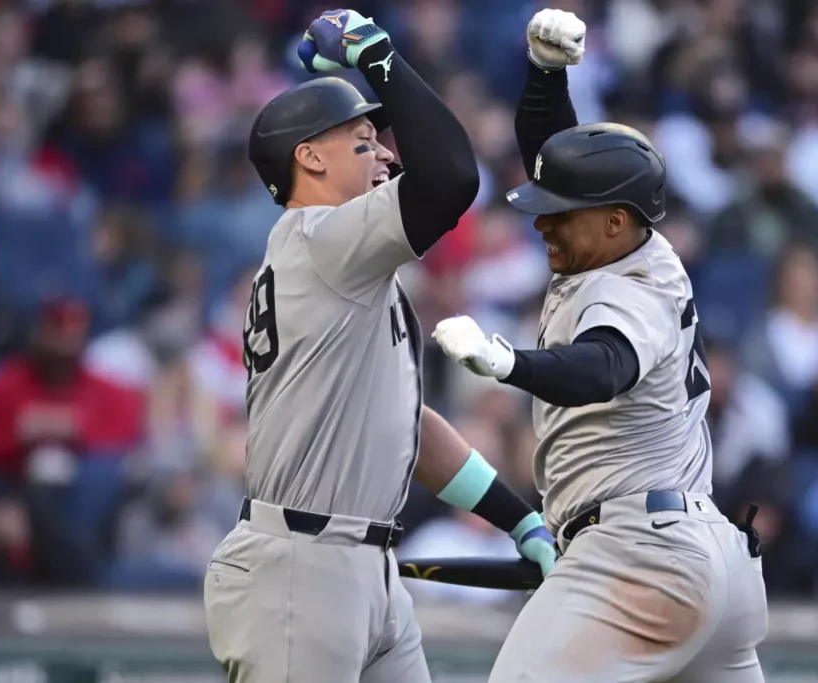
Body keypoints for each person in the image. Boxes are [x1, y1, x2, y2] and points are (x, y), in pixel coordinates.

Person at [201, 10, 556, 683]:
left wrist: (518, 518)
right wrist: (377, 55)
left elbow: (404, 425)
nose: (388, 153)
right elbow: (451, 178)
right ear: (308, 156)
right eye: (364, 140)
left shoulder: (353, 268)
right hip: (300, 572)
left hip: (365, 567)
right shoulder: (323, 239)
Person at [431, 9, 768, 682]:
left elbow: (602, 368)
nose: (543, 223)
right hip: (702, 555)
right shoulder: (625, 243)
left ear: (615, 221)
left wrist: (507, 363)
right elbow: (555, 159)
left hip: (641, 554)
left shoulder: (631, 287)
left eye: (560, 215)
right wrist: (547, 77)